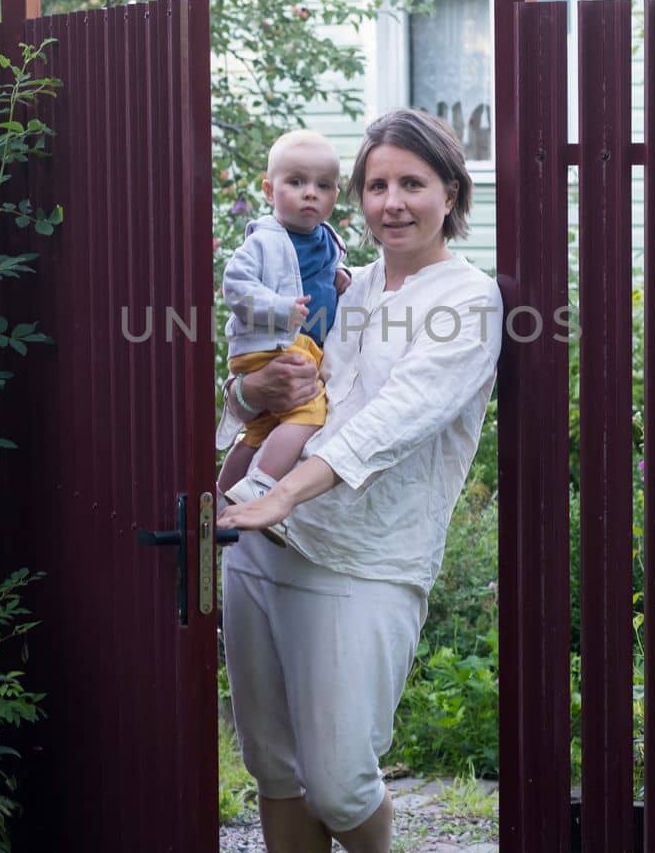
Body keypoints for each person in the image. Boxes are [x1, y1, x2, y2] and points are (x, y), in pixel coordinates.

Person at [215, 108, 504, 853]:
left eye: (413, 182)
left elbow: (393, 423)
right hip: (261, 548)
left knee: (342, 781)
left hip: (366, 560)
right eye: (377, 185)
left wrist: (280, 491)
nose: (393, 201)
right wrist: (252, 393)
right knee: (273, 768)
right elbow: (249, 403)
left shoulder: (466, 300)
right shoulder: (343, 284)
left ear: (450, 190)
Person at [216, 130, 352, 544]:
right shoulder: (264, 240)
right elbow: (235, 286)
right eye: (296, 183)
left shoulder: (326, 239)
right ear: (269, 189)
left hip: (297, 347)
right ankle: (262, 488)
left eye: (323, 186)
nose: (310, 194)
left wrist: (339, 278)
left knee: (260, 430)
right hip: (269, 345)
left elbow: (318, 274)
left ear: (336, 194)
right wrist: (279, 309)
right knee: (309, 413)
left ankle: (220, 496)